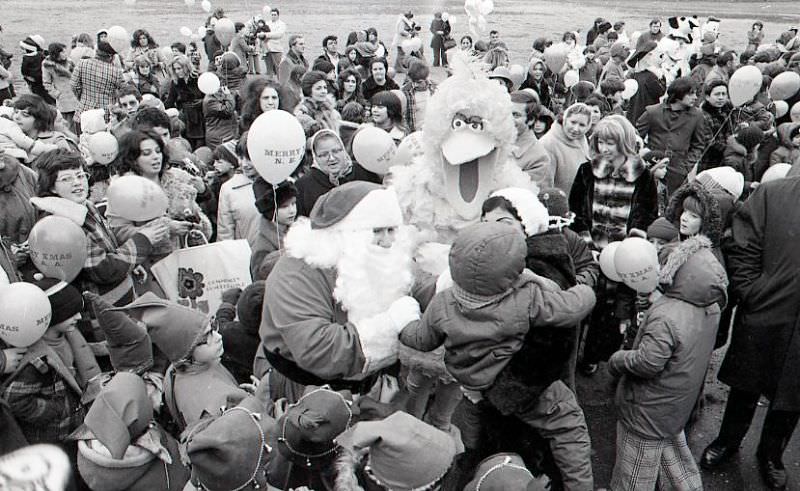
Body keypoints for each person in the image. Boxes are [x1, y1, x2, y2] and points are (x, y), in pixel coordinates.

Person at [400, 221, 596, 490]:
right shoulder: (525, 299)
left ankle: (476, 473)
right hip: (518, 387)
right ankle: (579, 487)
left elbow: (420, 339)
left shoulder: (443, 302)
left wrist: (404, 318)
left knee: (477, 438)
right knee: (568, 427)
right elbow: (571, 308)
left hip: (472, 383)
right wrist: (585, 289)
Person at [259, 181, 433, 402]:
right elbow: (318, 349)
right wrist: (390, 324)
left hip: (369, 383)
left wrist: (449, 285)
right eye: (377, 230)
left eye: (392, 230)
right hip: (309, 390)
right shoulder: (298, 272)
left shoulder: (381, 256)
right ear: (345, 232)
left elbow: (418, 285)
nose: (388, 241)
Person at [700, 176, 800, 490]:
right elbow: (741, 244)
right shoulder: (773, 194)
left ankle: (771, 455)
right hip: (766, 309)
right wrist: (751, 291)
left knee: (793, 395)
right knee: (747, 383)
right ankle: (728, 440)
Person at [609, 230, 727, 490]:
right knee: (674, 459)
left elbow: (648, 363)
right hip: (675, 407)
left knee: (635, 473)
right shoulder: (709, 307)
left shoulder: (667, 315)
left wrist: (618, 360)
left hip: (647, 409)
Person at [568, 116, 658, 373]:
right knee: (582, 299)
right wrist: (587, 245)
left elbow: (647, 212)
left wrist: (630, 246)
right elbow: (576, 210)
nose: (605, 148)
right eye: (600, 142)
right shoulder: (587, 170)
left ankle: (592, 357)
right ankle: (572, 354)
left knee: (611, 309)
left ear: (624, 142)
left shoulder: (643, 176)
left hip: (622, 254)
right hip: (590, 250)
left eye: (611, 143)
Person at [636, 77, 710, 197]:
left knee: (673, 205)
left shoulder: (697, 115)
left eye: (696, 94)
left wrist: (685, 167)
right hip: (653, 168)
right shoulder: (653, 112)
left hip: (678, 171)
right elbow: (637, 139)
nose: (695, 98)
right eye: (691, 94)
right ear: (679, 93)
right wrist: (647, 157)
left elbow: (699, 144)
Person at [294, 129, 355, 217]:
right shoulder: (303, 185)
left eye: (336, 151)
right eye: (324, 154)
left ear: (343, 150)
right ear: (315, 157)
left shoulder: (361, 171)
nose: (331, 158)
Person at [250, 178, 297, 283]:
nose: (292, 210)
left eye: (293, 204)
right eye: (284, 207)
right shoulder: (262, 246)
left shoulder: (297, 231)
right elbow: (260, 282)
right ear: (271, 211)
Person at [216, 132, 260, 243]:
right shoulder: (229, 189)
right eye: (241, 157)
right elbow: (225, 232)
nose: (244, 164)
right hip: (245, 256)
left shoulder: (279, 183)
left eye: (249, 158)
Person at [539, 102, 592, 194]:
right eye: (573, 122)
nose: (576, 129)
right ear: (565, 120)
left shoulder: (582, 141)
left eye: (582, 125)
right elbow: (544, 187)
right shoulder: (548, 144)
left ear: (588, 127)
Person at [71, 41, 125, 129]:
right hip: (105, 116)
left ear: (96, 52)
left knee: (82, 140)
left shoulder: (82, 63)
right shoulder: (116, 72)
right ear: (111, 56)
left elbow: (74, 85)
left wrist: (83, 97)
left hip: (83, 113)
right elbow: (123, 91)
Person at [509, 90, 552, 188]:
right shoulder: (490, 140)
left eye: (515, 115)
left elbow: (526, 198)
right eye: (506, 113)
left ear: (531, 120)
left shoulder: (539, 158)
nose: (508, 118)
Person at [164, 54, 205, 149]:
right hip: (187, 118)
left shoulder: (199, 78)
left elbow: (209, 96)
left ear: (186, 67)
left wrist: (202, 102)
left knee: (201, 145)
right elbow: (170, 101)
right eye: (175, 69)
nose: (177, 71)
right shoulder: (176, 83)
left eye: (179, 68)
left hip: (201, 117)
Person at [12, 94, 76, 151]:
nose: (17, 117)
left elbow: (67, 161)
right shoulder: (11, 137)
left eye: (25, 114)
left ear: (38, 119)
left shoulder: (56, 140)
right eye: (16, 112)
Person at [625, 37, 666, 125]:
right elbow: (660, 91)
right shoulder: (650, 77)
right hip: (646, 118)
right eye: (658, 55)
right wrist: (661, 77)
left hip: (635, 116)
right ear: (649, 56)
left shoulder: (636, 75)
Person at [42, 43, 79, 135]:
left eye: (65, 51)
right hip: (64, 98)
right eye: (62, 52)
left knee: (79, 121)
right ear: (56, 54)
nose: (65, 54)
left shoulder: (70, 62)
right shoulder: (48, 65)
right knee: (68, 123)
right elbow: (47, 83)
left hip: (76, 95)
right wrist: (57, 94)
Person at [698, 80, 733, 172]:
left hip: (725, 159)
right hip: (709, 161)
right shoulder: (702, 115)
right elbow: (709, 142)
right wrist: (731, 149)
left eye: (723, 94)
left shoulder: (727, 110)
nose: (721, 98)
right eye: (717, 94)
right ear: (707, 97)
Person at [400, 58, 435, 132]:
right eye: (414, 82)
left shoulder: (435, 88)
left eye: (419, 82)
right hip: (414, 131)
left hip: (432, 129)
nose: (416, 85)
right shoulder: (405, 91)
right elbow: (403, 116)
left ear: (426, 78)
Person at [202, 84, 237, 150]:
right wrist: (228, 95)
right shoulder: (209, 101)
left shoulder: (216, 96)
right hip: (219, 138)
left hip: (225, 134)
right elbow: (228, 111)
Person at [263, 7, 287, 79]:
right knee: (269, 68)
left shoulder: (282, 24)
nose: (273, 16)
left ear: (278, 15)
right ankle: (269, 83)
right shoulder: (267, 23)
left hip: (277, 48)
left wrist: (266, 35)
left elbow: (278, 34)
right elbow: (261, 32)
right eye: (272, 15)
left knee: (278, 67)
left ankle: (280, 82)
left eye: (275, 15)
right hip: (267, 48)